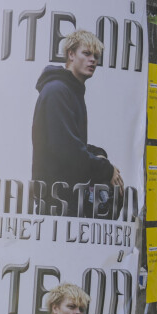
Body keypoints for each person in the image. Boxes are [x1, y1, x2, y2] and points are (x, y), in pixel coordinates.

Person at [31, 30, 124, 216]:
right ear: (71, 54)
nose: (93, 60)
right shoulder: (57, 91)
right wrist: (105, 169)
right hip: (57, 204)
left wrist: (98, 154)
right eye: (87, 53)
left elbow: (69, 142)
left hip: (65, 200)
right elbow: (66, 150)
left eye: (96, 56)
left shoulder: (71, 91)